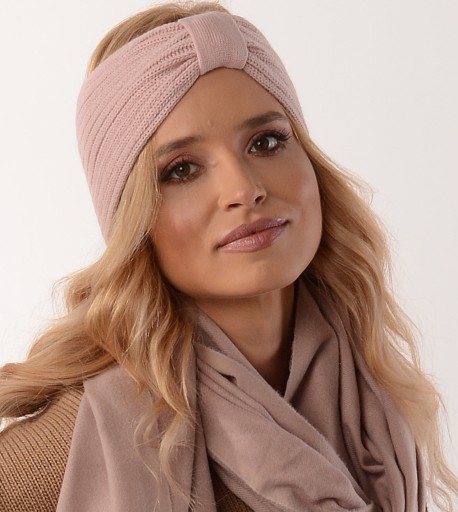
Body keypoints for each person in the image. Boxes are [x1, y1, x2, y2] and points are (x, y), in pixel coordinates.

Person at [0, 1, 457, 510]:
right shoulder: (56, 457)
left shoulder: (376, 409)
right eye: (182, 170)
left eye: (266, 141)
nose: (244, 188)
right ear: (132, 221)